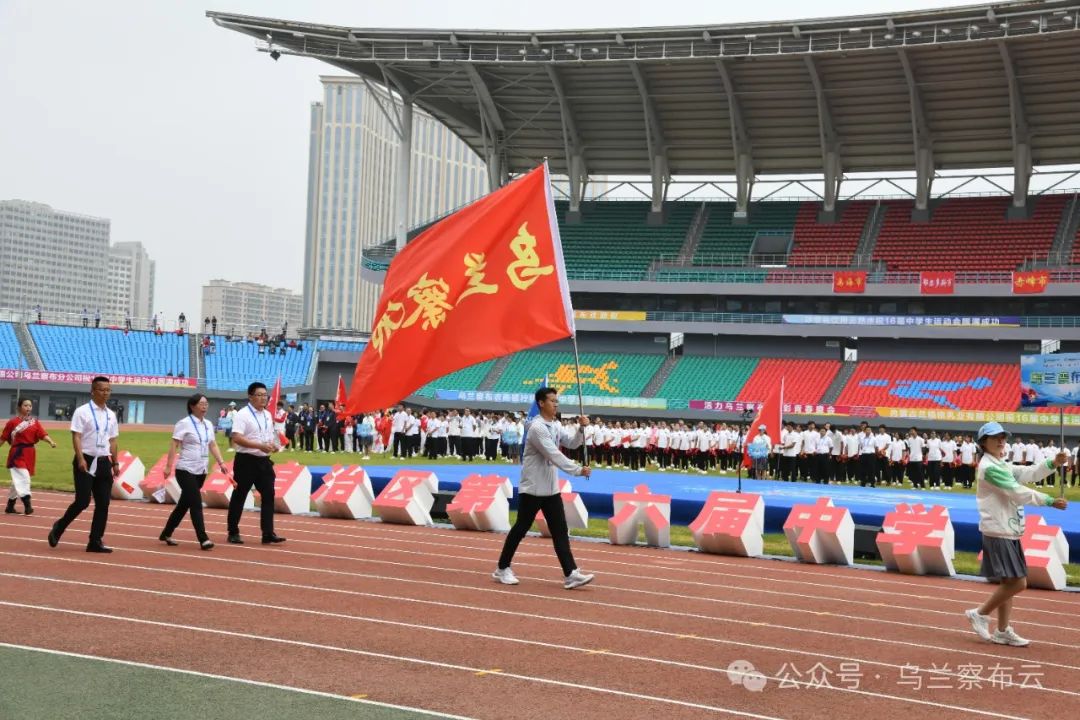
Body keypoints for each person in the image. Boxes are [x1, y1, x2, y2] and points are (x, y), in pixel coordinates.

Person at [964, 422, 1068, 647]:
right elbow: (1017, 491)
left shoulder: (1000, 463)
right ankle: (980, 613)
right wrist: (1049, 501)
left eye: (1003, 437)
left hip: (1008, 529)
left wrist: (1052, 463)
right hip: (999, 529)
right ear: (983, 443)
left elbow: (1027, 473)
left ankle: (1002, 631)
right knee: (1019, 583)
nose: (1001, 441)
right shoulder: (989, 468)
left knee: (1009, 581)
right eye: (995, 438)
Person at [493, 387, 594, 590]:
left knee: (560, 530)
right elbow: (553, 454)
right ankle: (502, 568)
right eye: (552, 401)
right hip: (533, 487)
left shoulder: (555, 425)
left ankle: (570, 573)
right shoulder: (537, 428)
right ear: (541, 403)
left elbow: (572, 444)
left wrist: (581, 429)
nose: (556, 404)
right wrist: (577, 470)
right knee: (521, 528)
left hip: (550, 488)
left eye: (557, 401)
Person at [48, 376, 120, 553]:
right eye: (102, 390)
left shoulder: (111, 415)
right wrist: (80, 458)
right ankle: (59, 526)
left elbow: (113, 440)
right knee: (82, 501)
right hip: (86, 460)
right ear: (93, 391)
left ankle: (95, 541)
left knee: (103, 503)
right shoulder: (82, 411)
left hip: (103, 461)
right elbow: (76, 436)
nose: (105, 393)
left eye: (108, 390)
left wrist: (115, 462)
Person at [160, 393, 230, 550]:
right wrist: (168, 466)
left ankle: (166, 532)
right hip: (185, 469)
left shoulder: (208, 424)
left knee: (184, 505)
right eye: (201, 403)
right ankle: (203, 538)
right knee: (196, 503)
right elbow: (174, 445)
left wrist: (221, 462)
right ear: (192, 406)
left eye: (206, 403)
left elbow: (212, 445)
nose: (205, 406)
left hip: (201, 469)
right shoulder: (183, 423)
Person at [226, 382, 285, 545]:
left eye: (265, 395)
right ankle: (233, 531)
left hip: (264, 462)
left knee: (269, 495)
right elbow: (236, 437)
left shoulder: (267, 414)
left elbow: (267, 435)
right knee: (240, 495)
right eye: (259, 395)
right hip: (246, 461)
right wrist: (260, 446)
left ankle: (267, 532)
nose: (263, 398)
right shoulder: (242, 415)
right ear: (250, 397)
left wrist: (272, 445)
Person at [1, 397, 57, 515]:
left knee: (17, 481)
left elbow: (42, 434)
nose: (28, 408)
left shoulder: (34, 422)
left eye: (30, 406)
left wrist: (51, 441)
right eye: (25, 405)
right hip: (17, 453)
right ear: (19, 407)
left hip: (30, 453)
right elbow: (3, 438)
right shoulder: (12, 422)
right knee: (24, 478)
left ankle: (10, 506)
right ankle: (28, 505)